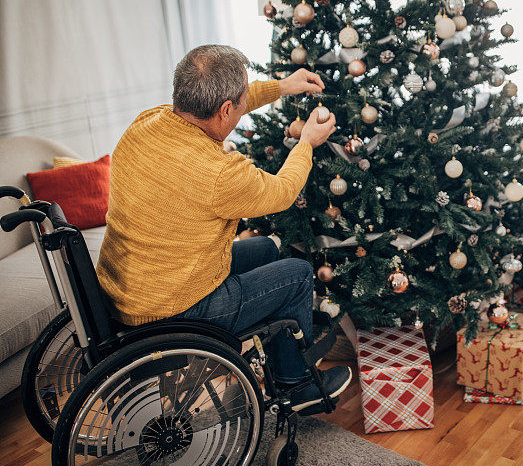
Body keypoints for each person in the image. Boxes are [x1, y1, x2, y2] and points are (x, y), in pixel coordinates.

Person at [97, 44, 350, 412]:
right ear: (226, 110)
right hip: (175, 309)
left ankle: (275, 358)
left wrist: (281, 87)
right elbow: (281, 191)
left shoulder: (146, 123)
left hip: (132, 287)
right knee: (297, 273)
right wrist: (307, 142)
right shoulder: (217, 172)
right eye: (242, 96)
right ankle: (295, 388)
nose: (246, 98)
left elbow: (227, 103)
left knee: (264, 248)